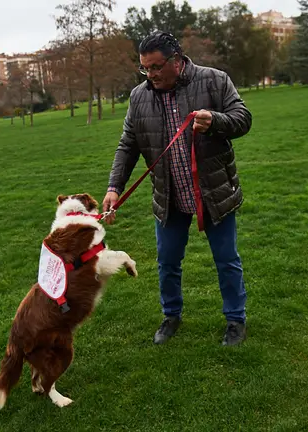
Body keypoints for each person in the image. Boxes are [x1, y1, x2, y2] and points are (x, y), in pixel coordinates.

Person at [102, 32, 252, 346]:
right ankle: (171, 315)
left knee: (226, 260)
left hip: (213, 192)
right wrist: (115, 187)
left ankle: (236, 320)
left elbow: (243, 118)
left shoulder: (214, 81)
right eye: (145, 68)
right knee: (168, 261)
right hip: (169, 197)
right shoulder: (139, 97)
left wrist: (216, 121)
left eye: (157, 66)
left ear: (177, 60)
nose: (151, 74)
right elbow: (127, 147)